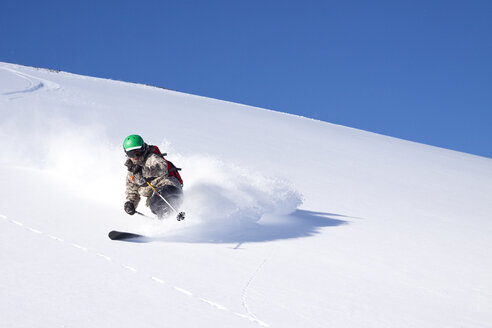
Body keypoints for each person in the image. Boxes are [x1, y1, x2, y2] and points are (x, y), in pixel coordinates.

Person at [123, 134, 183, 218]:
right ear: (127, 154)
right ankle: (167, 222)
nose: (135, 157)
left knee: (157, 200)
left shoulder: (151, 158)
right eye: (131, 154)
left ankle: (169, 217)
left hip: (169, 187)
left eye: (138, 152)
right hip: (154, 197)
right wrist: (130, 203)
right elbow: (132, 191)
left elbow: (162, 168)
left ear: (143, 149)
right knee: (154, 204)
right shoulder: (132, 174)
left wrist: (144, 171)